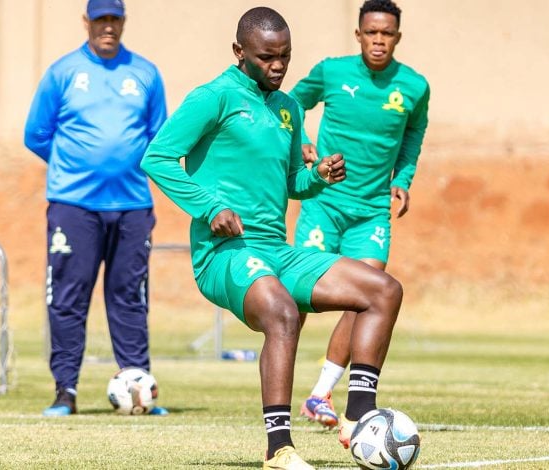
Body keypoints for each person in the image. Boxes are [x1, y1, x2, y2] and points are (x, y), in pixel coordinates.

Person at [140, 7, 402, 469]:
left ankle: (359, 417)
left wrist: (317, 176)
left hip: (276, 251)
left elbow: (290, 183)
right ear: (239, 52)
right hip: (224, 253)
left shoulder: (288, 108)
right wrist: (209, 207)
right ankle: (278, 448)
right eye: (266, 57)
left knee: (382, 290)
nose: (278, 66)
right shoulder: (214, 97)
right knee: (282, 313)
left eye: (285, 56)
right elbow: (158, 158)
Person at [288, 0, 430, 429]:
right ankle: (276, 394)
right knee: (296, 302)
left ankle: (319, 395)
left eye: (387, 33)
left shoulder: (414, 86)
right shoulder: (332, 71)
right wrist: (301, 145)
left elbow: (413, 135)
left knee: (366, 297)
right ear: (358, 34)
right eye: (372, 33)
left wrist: (402, 179)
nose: (379, 40)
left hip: (371, 214)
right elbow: (291, 103)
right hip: (323, 205)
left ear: (397, 37)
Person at [24, 0, 168, 417]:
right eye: (101, 19)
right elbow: (36, 135)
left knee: (129, 297)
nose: (108, 26)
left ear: (123, 22)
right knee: (68, 298)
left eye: (115, 19)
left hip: (133, 206)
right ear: (87, 21)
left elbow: (160, 139)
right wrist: (75, 168)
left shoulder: (145, 74)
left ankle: (138, 389)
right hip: (74, 206)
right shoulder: (63, 72)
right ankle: (65, 391)